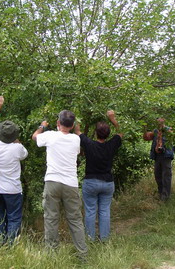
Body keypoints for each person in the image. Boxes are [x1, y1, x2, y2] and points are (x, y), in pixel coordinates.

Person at [32, 110, 88, 258]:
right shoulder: (76, 140)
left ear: (58, 123)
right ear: (73, 125)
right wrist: (77, 130)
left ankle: (52, 254)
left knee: (51, 218)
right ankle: (82, 254)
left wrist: (42, 126)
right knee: (75, 219)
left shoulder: (50, 135)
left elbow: (35, 137)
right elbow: (76, 141)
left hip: (52, 181)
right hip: (70, 183)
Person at [0, 96, 28, 245]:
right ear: (14, 135)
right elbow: (25, 155)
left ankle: (0, 244)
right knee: (14, 218)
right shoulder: (18, 148)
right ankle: (11, 246)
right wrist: (17, 142)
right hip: (14, 190)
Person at [74, 110, 123, 242]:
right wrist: (113, 119)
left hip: (91, 182)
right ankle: (104, 239)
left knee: (90, 211)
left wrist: (76, 118)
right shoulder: (112, 144)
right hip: (107, 183)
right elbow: (121, 132)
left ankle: (90, 239)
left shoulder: (89, 144)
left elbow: (77, 132)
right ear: (108, 134)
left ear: (95, 133)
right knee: (104, 211)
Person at [143, 118, 174, 201]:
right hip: (157, 156)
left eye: (160, 118)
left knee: (166, 176)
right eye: (157, 118)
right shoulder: (155, 131)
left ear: (164, 119)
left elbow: (174, 136)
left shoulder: (168, 130)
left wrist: (165, 130)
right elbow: (146, 138)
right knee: (158, 175)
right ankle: (161, 193)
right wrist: (144, 128)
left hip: (166, 156)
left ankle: (165, 197)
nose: (158, 120)